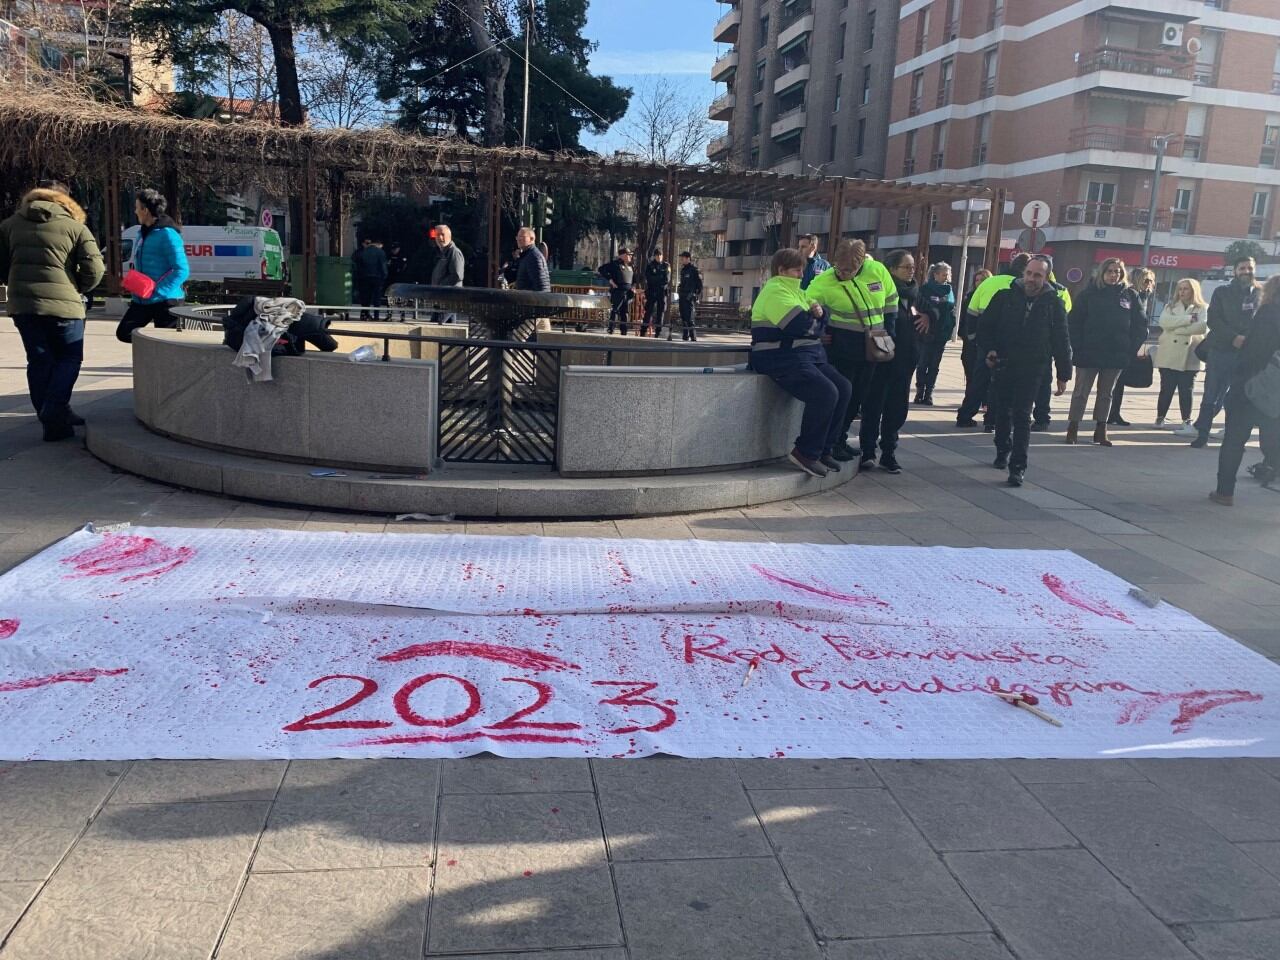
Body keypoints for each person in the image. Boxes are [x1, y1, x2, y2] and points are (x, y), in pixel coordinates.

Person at [0, 182, 105, 441]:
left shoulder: (9, 225)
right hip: (65, 306)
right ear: (66, 201)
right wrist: (78, 287)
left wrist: (17, 284)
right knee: (69, 359)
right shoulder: (76, 227)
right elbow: (95, 269)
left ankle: (52, 421)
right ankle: (54, 407)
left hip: (24, 306)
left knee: (39, 360)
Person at [749, 247, 852, 478]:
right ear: (781, 270)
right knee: (826, 392)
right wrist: (816, 321)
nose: (800, 274)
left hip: (804, 356)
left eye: (802, 269)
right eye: (797, 270)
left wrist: (819, 315)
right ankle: (805, 452)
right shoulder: (775, 292)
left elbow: (821, 319)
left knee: (844, 388)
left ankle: (825, 449)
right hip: (779, 358)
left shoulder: (798, 292)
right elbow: (801, 326)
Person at [981, 254, 1072, 487]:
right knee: (1003, 411)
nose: (1032, 279)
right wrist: (990, 349)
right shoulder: (1004, 297)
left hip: (1034, 367)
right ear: (1023, 273)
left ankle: (1018, 467)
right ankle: (1002, 449)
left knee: (1022, 415)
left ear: (1046, 277)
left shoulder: (1054, 303)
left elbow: (1062, 339)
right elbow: (986, 327)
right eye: (1029, 273)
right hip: (1004, 362)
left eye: (1038, 275)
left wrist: (1063, 373)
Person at [805, 237, 897, 462]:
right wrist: (820, 331)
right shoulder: (823, 282)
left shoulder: (877, 270)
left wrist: (890, 332)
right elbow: (806, 308)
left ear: (861, 263)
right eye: (841, 268)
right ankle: (833, 441)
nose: (844, 273)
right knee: (844, 394)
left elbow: (891, 300)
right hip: (841, 347)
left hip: (872, 344)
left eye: (850, 270)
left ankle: (841, 438)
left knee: (859, 395)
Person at [1210, 275, 1280, 506]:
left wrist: (1240, 378)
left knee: (1234, 440)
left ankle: (1225, 492)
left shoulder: (1267, 313)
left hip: (1249, 387)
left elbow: (1252, 352)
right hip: (1275, 392)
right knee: (1274, 443)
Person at [1065, 257, 1149, 446]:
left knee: (1106, 394)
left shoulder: (1130, 295)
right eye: (1110, 271)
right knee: (1080, 392)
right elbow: (1074, 322)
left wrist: (1130, 348)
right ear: (1102, 273)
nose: (1114, 275)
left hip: (1116, 353)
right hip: (1089, 351)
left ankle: (1101, 429)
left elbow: (1140, 325)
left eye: (1118, 272)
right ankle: (1073, 427)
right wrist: (1078, 346)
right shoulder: (1088, 294)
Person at [1182, 256, 1262, 447]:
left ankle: (1231, 436)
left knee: (1237, 396)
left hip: (1246, 353)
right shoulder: (1222, 292)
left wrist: (1249, 340)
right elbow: (1214, 320)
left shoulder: (1260, 293)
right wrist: (1233, 337)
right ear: (1235, 271)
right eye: (1242, 268)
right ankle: (1202, 434)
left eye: (1249, 268)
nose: (1246, 271)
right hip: (1221, 350)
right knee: (1212, 393)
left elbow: (1262, 321)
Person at [858, 249, 924, 474]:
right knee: (873, 405)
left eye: (913, 267)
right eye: (906, 267)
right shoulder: (881, 288)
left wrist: (930, 316)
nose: (911, 271)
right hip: (881, 358)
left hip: (905, 360)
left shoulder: (915, 293)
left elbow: (932, 312)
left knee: (897, 409)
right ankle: (867, 451)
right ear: (892, 270)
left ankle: (889, 452)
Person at [956, 255, 1031, 429]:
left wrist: (973, 338)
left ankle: (965, 415)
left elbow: (972, 311)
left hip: (984, 340)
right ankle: (992, 419)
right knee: (1001, 382)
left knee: (979, 380)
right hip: (1008, 342)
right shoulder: (1022, 287)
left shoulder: (989, 282)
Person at [115, 188, 189, 343]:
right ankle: (153, 350)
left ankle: (159, 358)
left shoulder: (168, 234)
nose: (135, 211)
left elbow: (182, 270)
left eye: (137, 207)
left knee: (167, 347)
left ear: (145, 210)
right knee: (124, 332)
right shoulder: (141, 233)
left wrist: (156, 290)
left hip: (167, 300)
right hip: (142, 298)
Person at [1155, 278, 1209, 428]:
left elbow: (1202, 327)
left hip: (1190, 355)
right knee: (1166, 388)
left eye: (1186, 289)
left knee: (1186, 389)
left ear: (1194, 291)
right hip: (1169, 354)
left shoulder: (1202, 308)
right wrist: (1187, 319)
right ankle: (1160, 417)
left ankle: (1186, 419)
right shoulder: (1170, 307)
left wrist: (1177, 328)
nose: (1182, 292)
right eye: (1180, 289)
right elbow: (1164, 322)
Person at [1108, 267, 1156, 427]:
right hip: (1125, 343)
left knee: (1120, 381)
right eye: (1146, 280)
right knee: (1117, 381)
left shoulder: (1144, 296)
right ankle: (1111, 413)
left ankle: (1114, 412)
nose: (1149, 284)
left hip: (1133, 343)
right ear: (1137, 280)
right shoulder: (1131, 295)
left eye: (1151, 280)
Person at [914, 262, 956, 406]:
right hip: (925, 332)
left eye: (947, 274)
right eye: (943, 274)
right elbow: (917, 308)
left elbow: (951, 309)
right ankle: (919, 392)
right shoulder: (925, 289)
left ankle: (929, 394)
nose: (946, 277)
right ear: (935, 274)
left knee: (934, 365)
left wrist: (950, 327)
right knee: (922, 363)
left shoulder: (949, 290)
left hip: (941, 334)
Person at [957, 267, 993, 396]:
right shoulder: (970, 296)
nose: (979, 283)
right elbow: (965, 317)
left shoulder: (995, 296)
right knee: (969, 368)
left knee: (983, 371)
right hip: (970, 339)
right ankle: (969, 396)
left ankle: (983, 399)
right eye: (977, 280)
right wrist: (963, 333)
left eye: (982, 280)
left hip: (984, 340)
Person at [428, 224, 465, 323]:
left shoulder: (454, 252)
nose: (440, 237)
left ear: (449, 236)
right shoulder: (442, 252)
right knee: (447, 329)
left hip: (449, 299)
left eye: (443, 234)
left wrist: (440, 286)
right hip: (441, 298)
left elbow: (457, 275)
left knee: (436, 326)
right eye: (437, 235)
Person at [599, 247, 634, 334]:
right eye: (628, 255)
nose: (630, 257)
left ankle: (624, 330)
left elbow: (634, 279)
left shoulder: (630, 266)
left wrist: (633, 287)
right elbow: (601, 269)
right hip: (618, 291)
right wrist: (610, 280)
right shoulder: (615, 264)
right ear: (622, 255)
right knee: (615, 310)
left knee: (625, 312)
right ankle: (611, 328)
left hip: (628, 292)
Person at [351, 237, 387, 321]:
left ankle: (365, 314)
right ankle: (376, 316)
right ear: (378, 244)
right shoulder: (380, 252)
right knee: (376, 298)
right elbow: (383, 266)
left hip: (364, 278)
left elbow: (356, 266)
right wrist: (384, 276)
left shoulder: (362, 252)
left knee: (365, 297)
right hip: (377, 278)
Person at [509, 226, 551, 292]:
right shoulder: (527, 255)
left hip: (531, 301)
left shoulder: (534, 257)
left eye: (522, 237)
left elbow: (542, 287)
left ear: (532, 239)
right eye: (517, 237)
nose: (518, 239)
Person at [641, 249, 670, 338]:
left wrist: (656, 278)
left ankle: (658, 331)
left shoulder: (666, 265)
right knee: (648, 311)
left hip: (661, 291)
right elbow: (649, 279)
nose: (659, 256)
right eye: (657, 255)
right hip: (652, 291)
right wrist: (659, 277)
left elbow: (667, 279)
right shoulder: (650, 265)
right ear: (654, 256)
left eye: (660, 255)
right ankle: (643, 331)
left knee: (660, 312)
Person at [677, 252, 702, 341]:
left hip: (690, 297)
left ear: (688, 258)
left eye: (683, 258)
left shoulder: (694, 270)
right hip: (682, 296)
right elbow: (682, 283)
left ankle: (693, 337)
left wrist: (695, 294)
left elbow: (699, 285)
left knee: (690, 318)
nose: (681, 260)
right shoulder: (683, 270)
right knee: (683, 317)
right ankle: (685, 335)